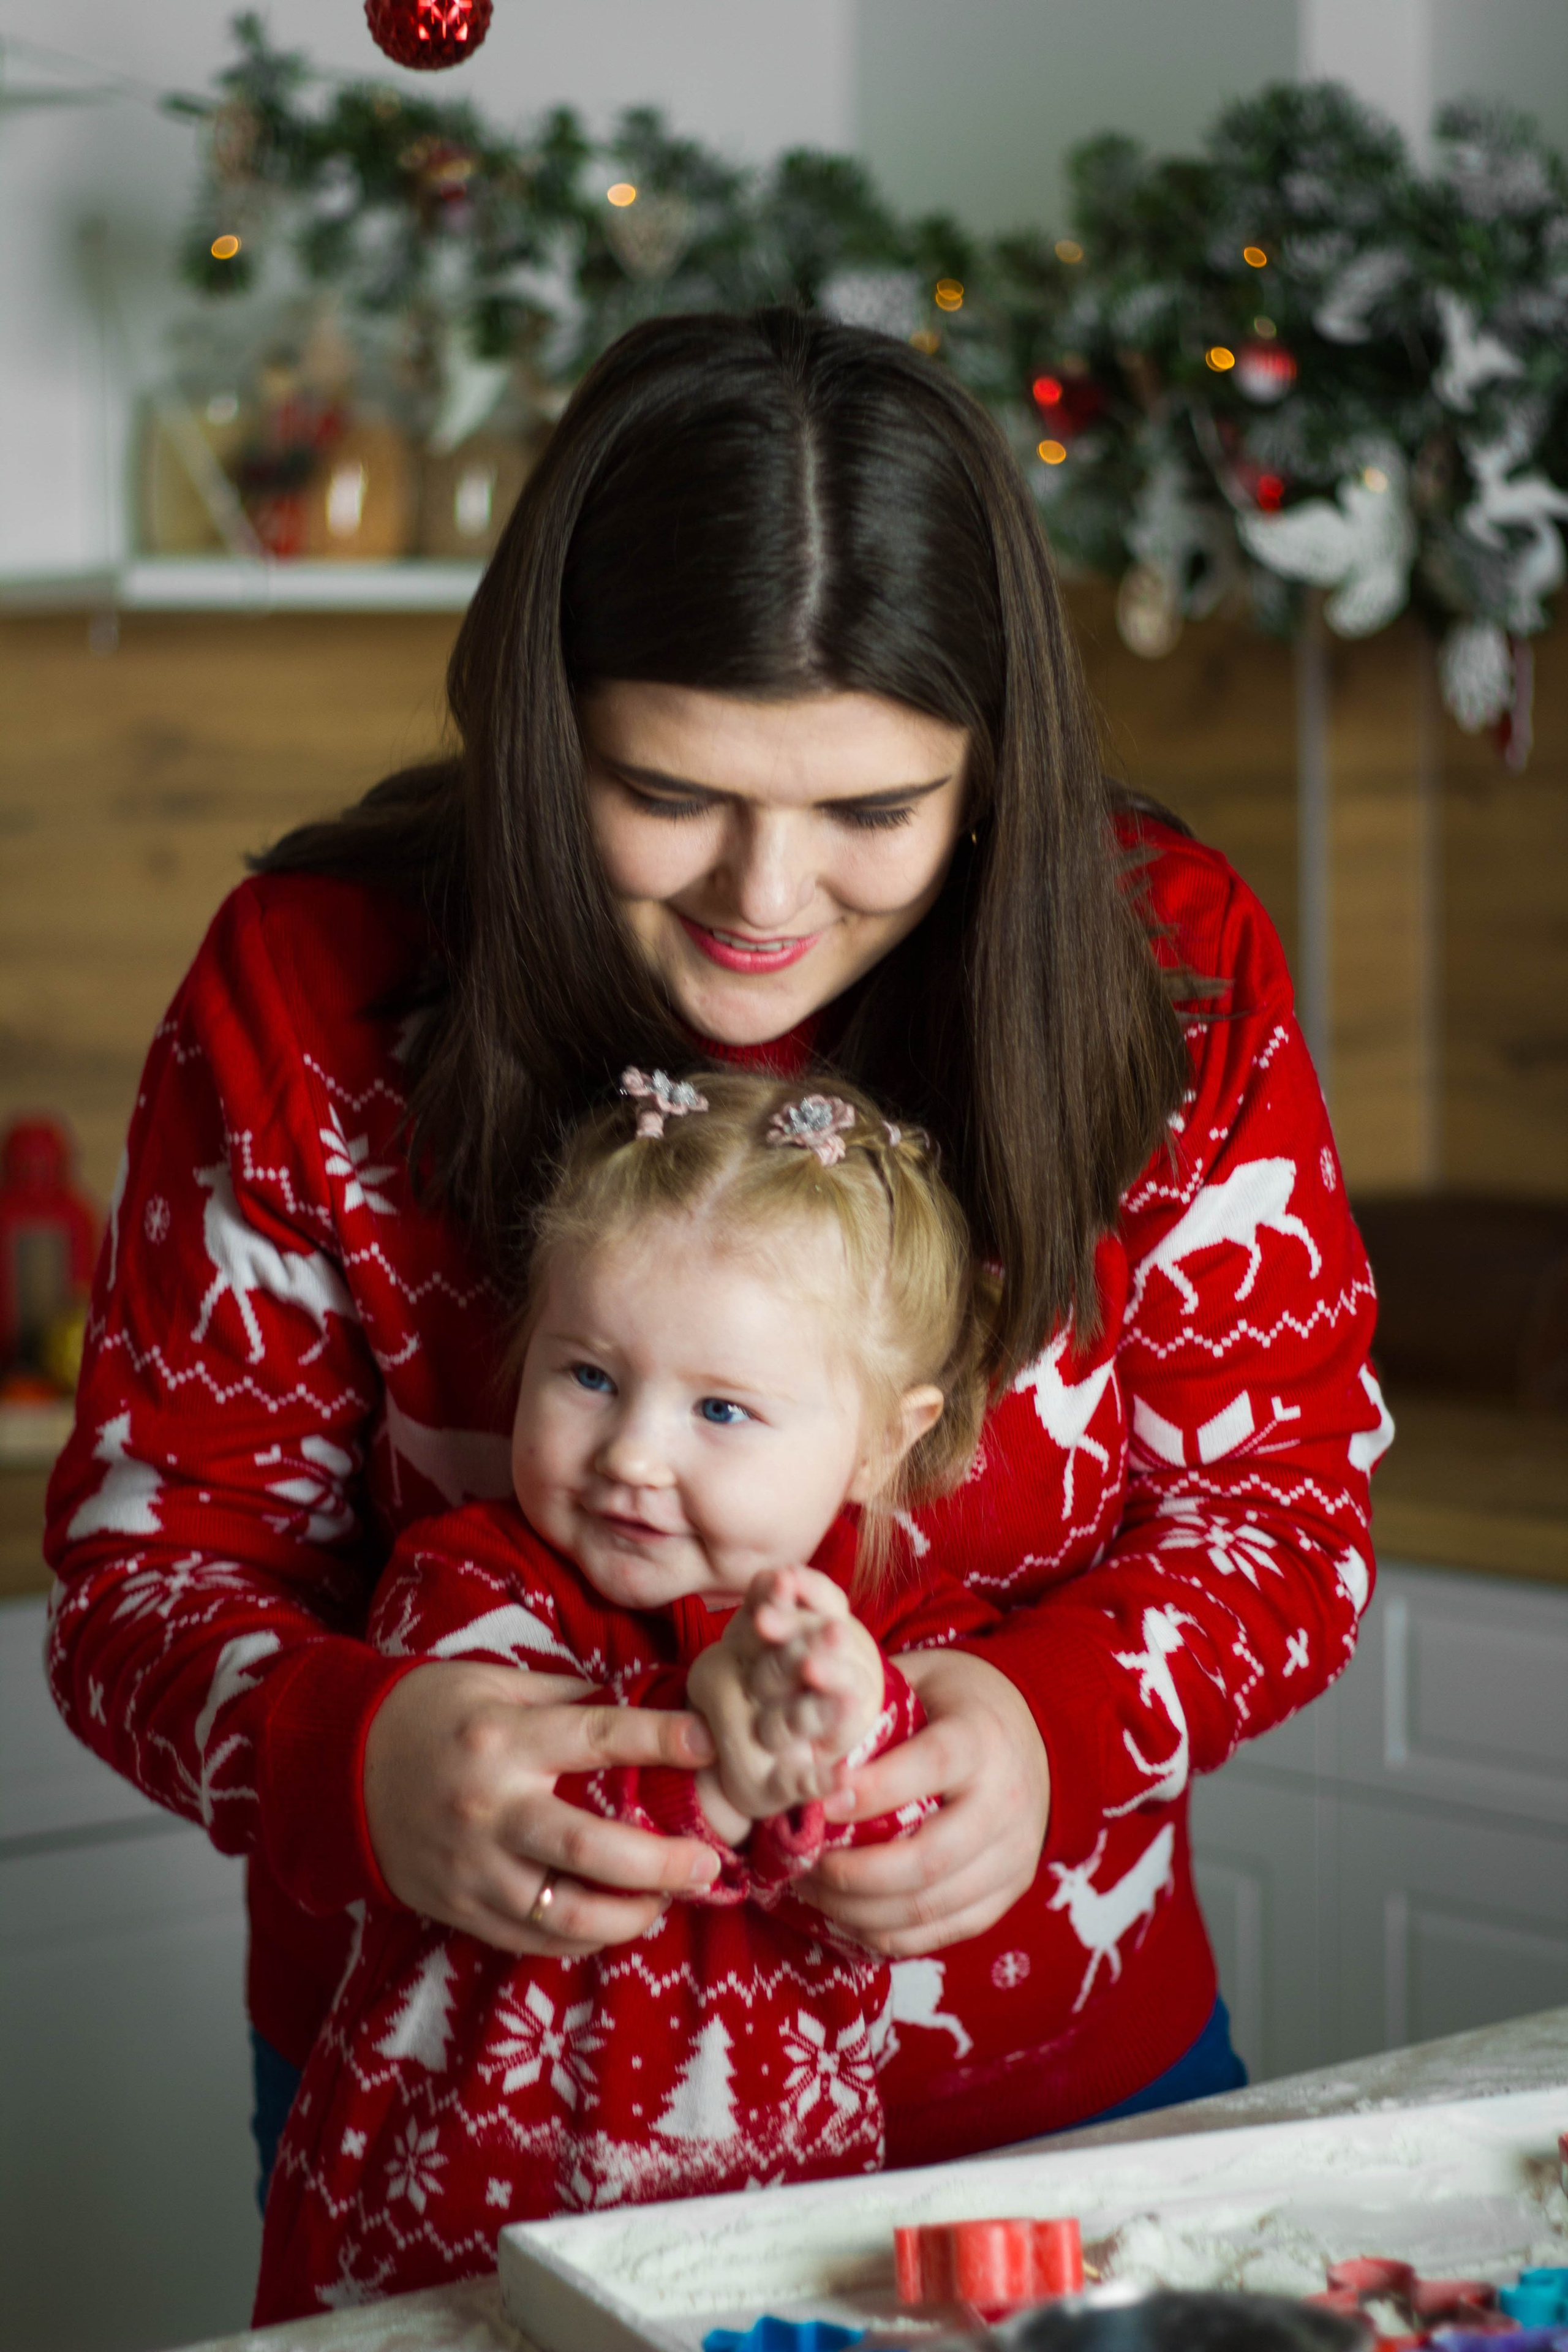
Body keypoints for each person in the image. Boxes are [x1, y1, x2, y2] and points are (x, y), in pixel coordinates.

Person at [45, 307, 1389, 2246]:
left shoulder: (1164, 969)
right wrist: (358, 1757)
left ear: (990, 766)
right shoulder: (307, 980)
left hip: (1061, 2119)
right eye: (667, 796)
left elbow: (1288, 1519)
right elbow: (139, 1575)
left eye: (873, 815)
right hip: (474, 2157)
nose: (768, 902)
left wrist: (1043, 1732)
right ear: (539, 724)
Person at [255, 1066, 1005, 2318]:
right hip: (441, 2237)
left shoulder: (898, 1624)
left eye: (720, 1408)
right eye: (589, 1376)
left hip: (762, 2245)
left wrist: (847, 1727)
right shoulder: (460, 1580)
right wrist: (726, 1753)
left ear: (882, 1440)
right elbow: (532, 1781)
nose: (634, 1455)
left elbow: (912, 1844)